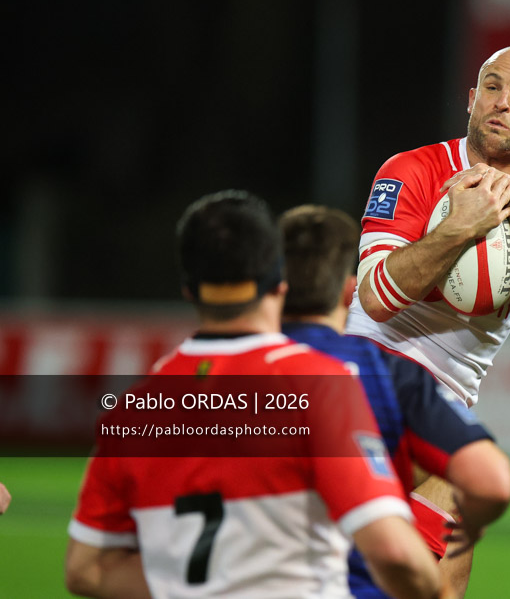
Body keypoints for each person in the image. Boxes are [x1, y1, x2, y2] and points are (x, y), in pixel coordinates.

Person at [66, 190, 446, 599]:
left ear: (189, 290)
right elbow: (394, 551)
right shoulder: (320, 386)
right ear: (279, 282)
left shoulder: (133, 412)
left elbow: (85, 571)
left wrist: (204, 585)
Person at [345, 45, 510, 593]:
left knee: (448, 579)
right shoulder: (411, 169)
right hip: (369, 370)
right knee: (460, 484)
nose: (501, 103)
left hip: (450, 396)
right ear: (471, 98)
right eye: (491, 86)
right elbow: (376, 299)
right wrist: (459, 228)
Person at [278, 204, 510, 599]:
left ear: (273, 287)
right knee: (450, 479)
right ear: (350, 291)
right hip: (345, 582)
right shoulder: (383, 374)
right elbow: (490, 482)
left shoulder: (206, 379)